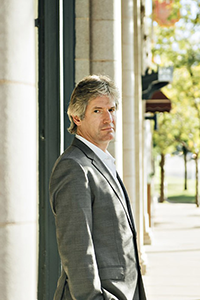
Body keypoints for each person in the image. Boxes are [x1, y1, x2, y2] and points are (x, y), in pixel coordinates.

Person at [49, 75, 147, 300]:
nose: (108, 118)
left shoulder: (104, 162)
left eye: (111, 109)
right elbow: (77, 251)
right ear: (77, 117)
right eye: (97, 111)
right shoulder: (74, 167)